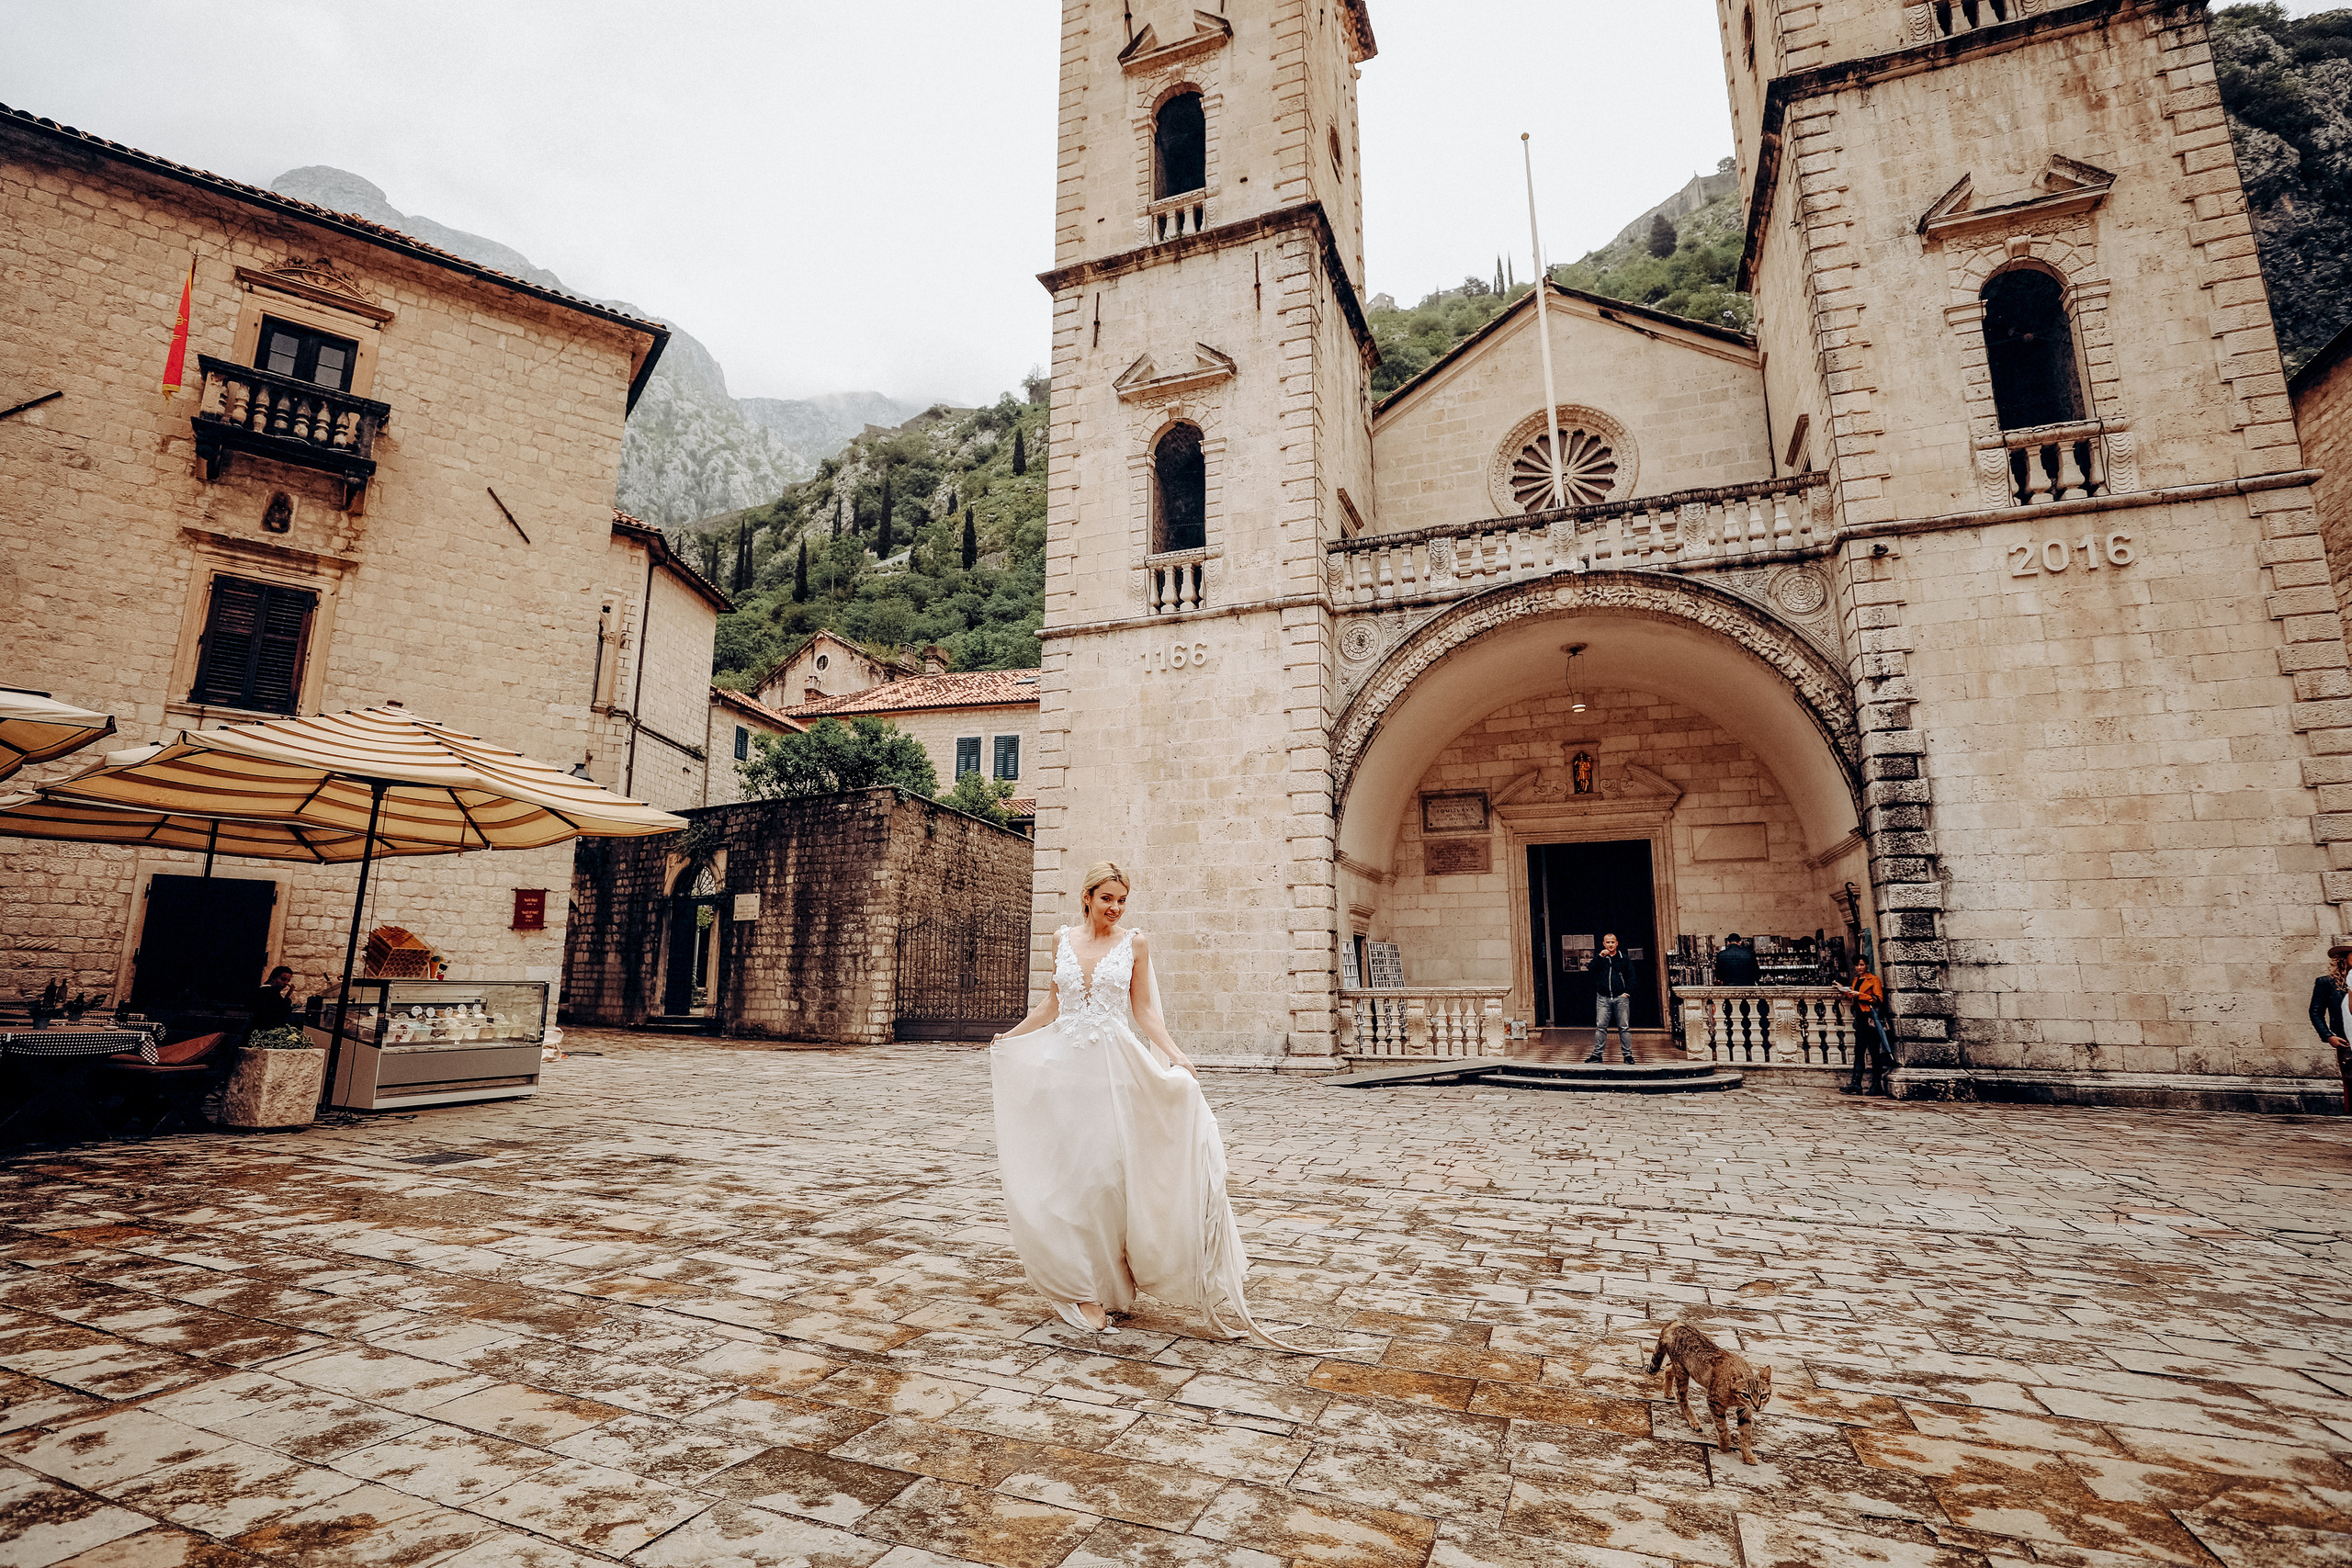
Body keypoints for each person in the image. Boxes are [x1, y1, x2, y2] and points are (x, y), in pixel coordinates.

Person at [990, 861, 1301, 1348]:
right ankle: (1081, 1287)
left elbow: (1144, 1010)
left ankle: (1117, 1280)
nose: (1115, 908)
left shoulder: (1134, 943)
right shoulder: (1061, 940)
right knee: (1069, 1179)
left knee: (1107, 1179)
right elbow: (1050, 1006)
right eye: (1107, 898)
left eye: (1122, 900)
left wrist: (1176, 1054)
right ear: (1087, 896)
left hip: (1115, 1071)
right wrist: (1009, 1038)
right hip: (1064, 1073)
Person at [2307, 941, 2352, 1116]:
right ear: (2343, 958)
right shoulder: (2326, 983)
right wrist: (2328, 1036)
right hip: (2345, 1038)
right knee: (2350, 1078)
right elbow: (2315, 1011)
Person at [1837, 960, 1894, 1096]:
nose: (1859, 967)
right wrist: (1843, 989)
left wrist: (1860, 995)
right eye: (1857, 965)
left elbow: (1878, 999)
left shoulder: (1874, 980)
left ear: (1867, 965)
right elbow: (1853, 995)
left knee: (1874, 1053)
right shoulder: (1856, 980)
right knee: (1859, 1052)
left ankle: (1876, 1085)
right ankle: (1856, 1084)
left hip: (1870, 1019)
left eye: (1861, 964)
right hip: (1860, 1019)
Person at [1585, 933, 1637, 1065]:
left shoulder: (1623, 959)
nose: (1610, 944)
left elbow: (1632, 977)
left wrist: (1627, 993)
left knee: (1624, 1027)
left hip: (1621, 998)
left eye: (1612, 942)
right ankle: (1597, 1055)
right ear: (1604, 944)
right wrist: (1599, 957)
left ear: (1617, 943)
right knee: (1601, 1027)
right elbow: (1590, 970)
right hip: (1603, 997)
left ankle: (1628, 1055)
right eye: (1607, 942)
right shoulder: (1601, 959)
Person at [251, 965, 296, 1031]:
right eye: (283, 979)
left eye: (288, 981)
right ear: (273, 978)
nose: (286, 983)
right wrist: (287, 998)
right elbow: (281, 1012)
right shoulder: (269, 992)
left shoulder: (269, 991)